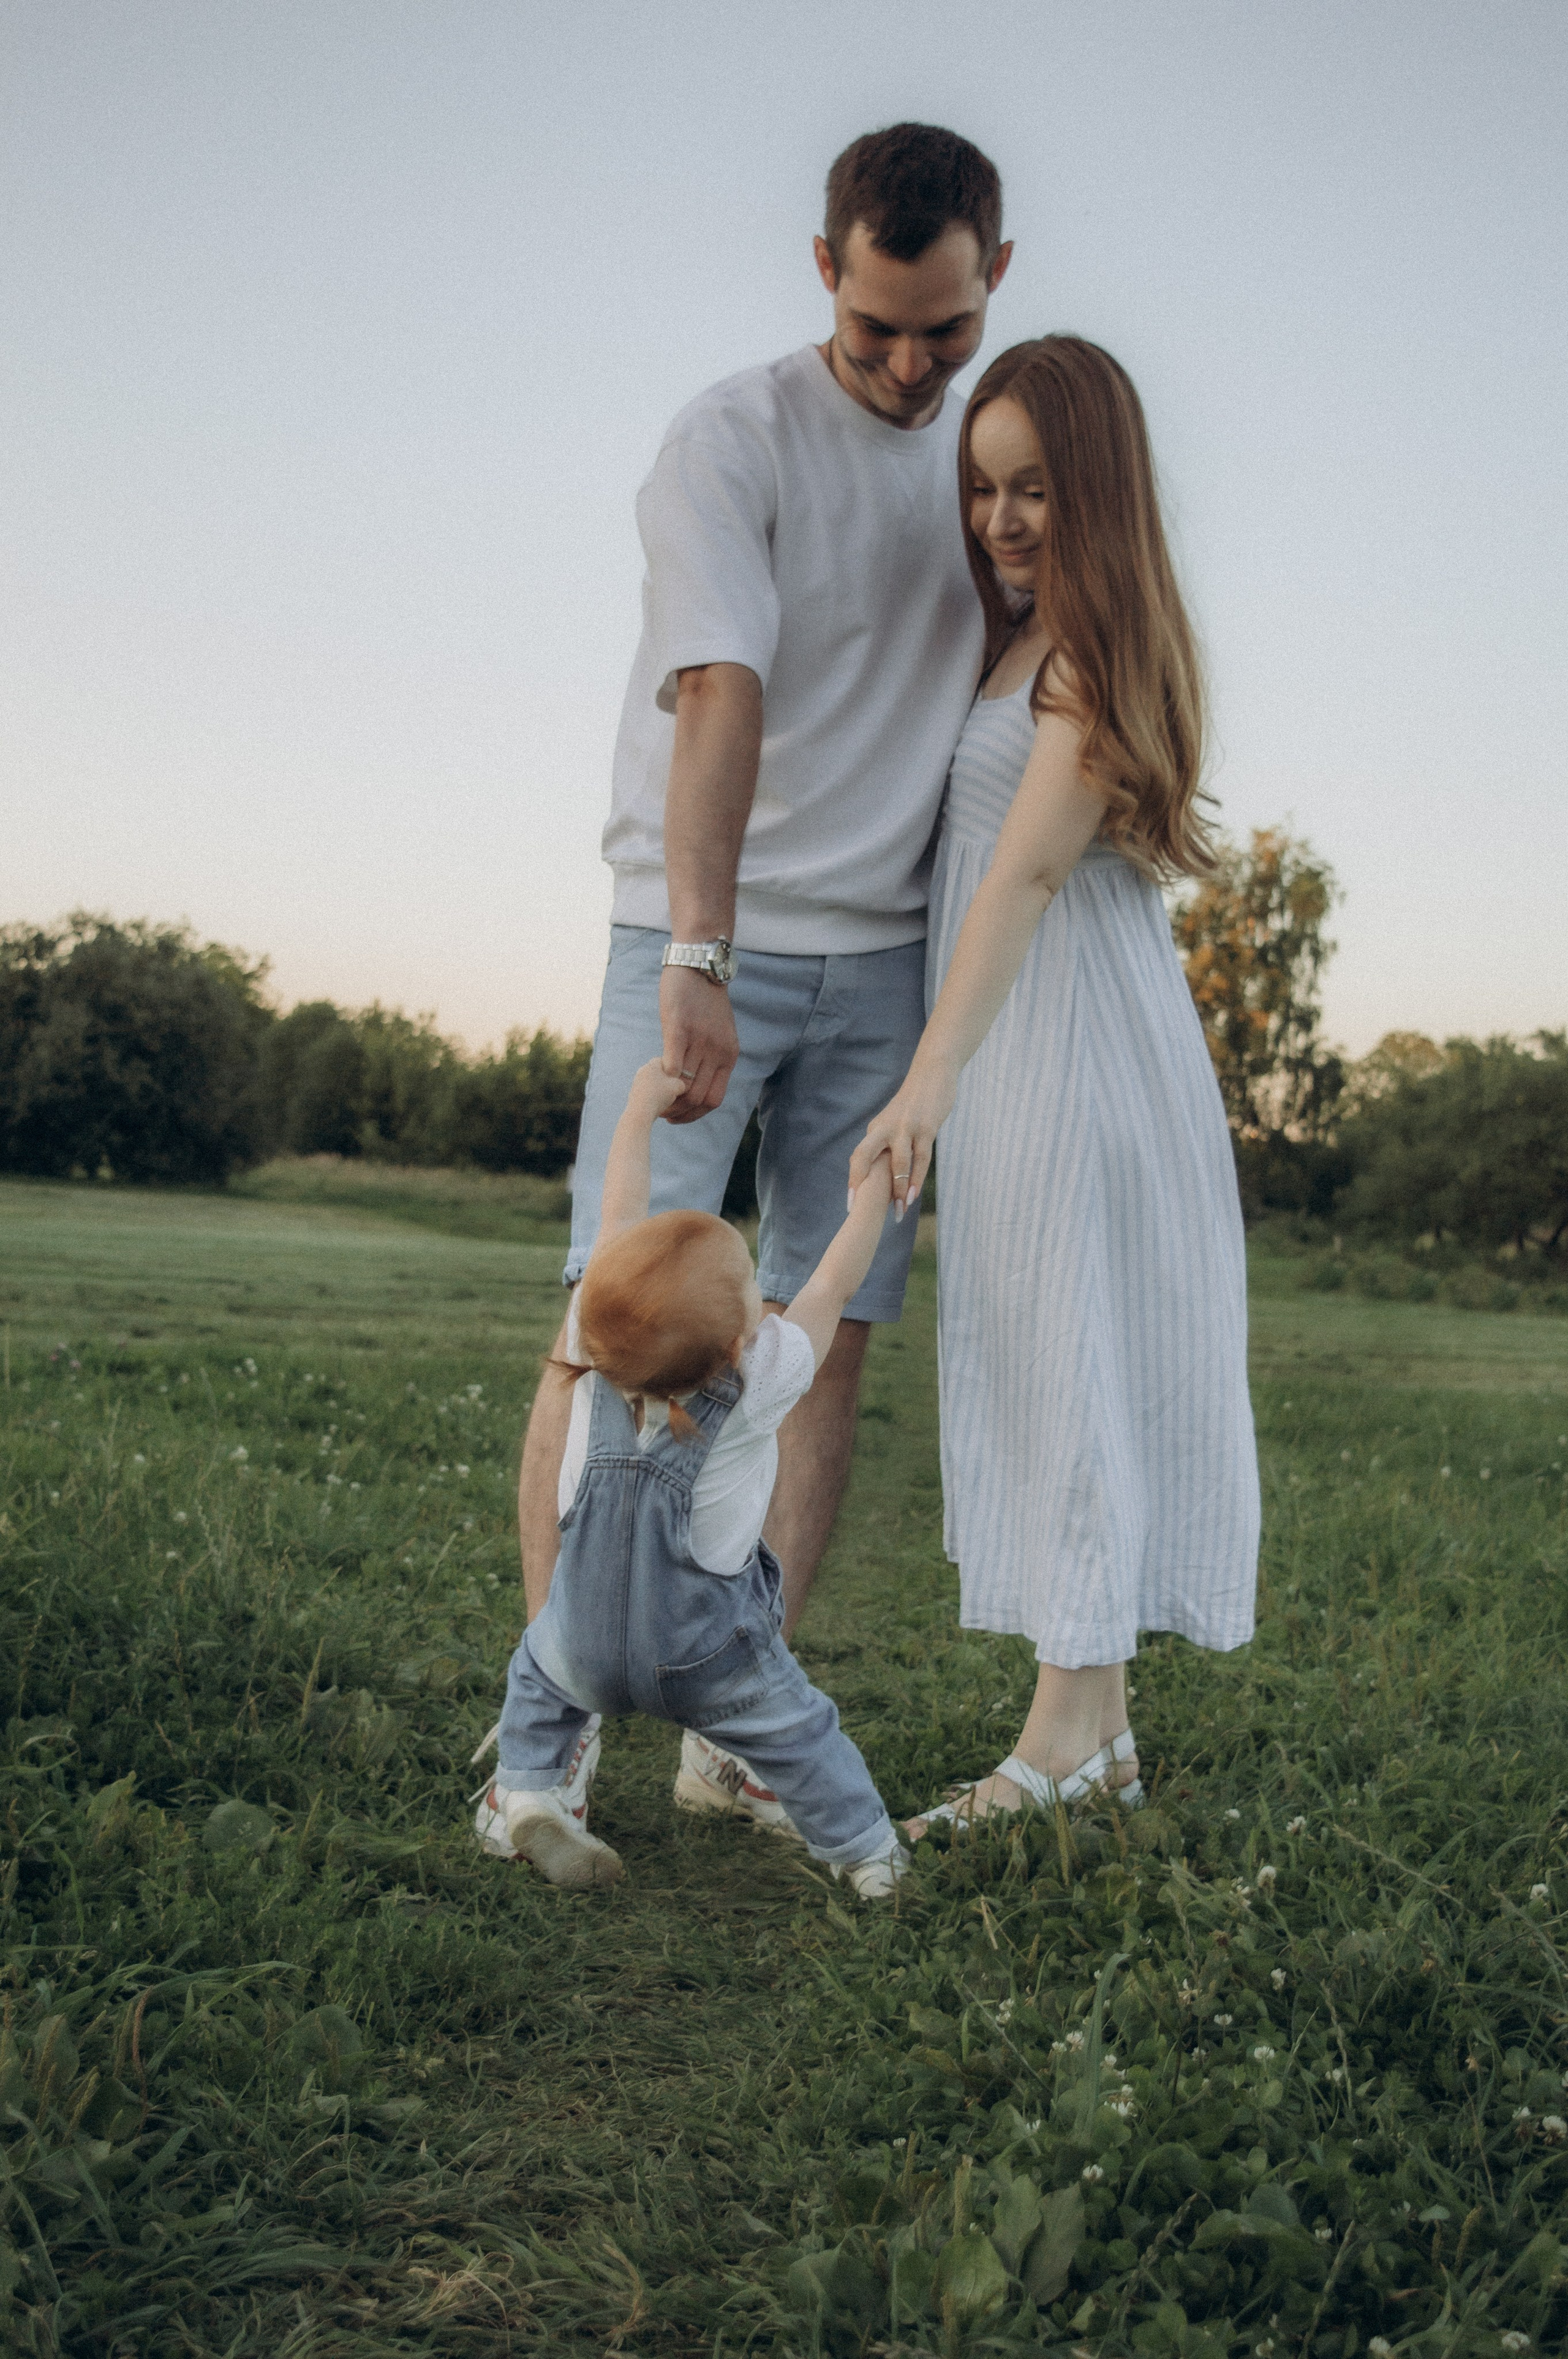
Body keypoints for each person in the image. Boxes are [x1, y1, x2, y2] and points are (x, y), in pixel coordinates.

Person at [513, 123, 1013, 1835]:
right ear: (824, 268)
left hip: (882, 955)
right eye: (877, 324)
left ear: (993, 282)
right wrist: (703, 956)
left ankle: (737, 1710)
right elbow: (715, 689)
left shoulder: (981, 470)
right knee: (607, 1318)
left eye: (942, 330)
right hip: (698, 931)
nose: (905, 362)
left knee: (827, 1333)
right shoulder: (730, 437)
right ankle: (551, 1725)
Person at [850, 336, 1261, 1833]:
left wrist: (923, 1082)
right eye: (980, 488)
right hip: (1016, 1036)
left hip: (1067, 1042)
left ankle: (1067, 1746)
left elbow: (1022, 874)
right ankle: (1088, 1734)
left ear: (1093, 488)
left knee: (1071, 1358)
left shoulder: (1092, 656)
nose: (1000, 519)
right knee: (1040, 1362)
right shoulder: (1013, 644)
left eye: (1031, 488)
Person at [475, 1058, 908, 1898]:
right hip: (708, 1655)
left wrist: (636, 1116)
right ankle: (870, 1857)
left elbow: (620, 1213)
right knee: (802, 1731)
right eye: (750, 1286)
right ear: (740, 1338)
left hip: (584, 1644)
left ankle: (530, 1793)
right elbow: (830, 1284)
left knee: (537, 1675)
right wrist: (873, 1195)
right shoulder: (757, 1381)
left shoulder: (594, 1346)